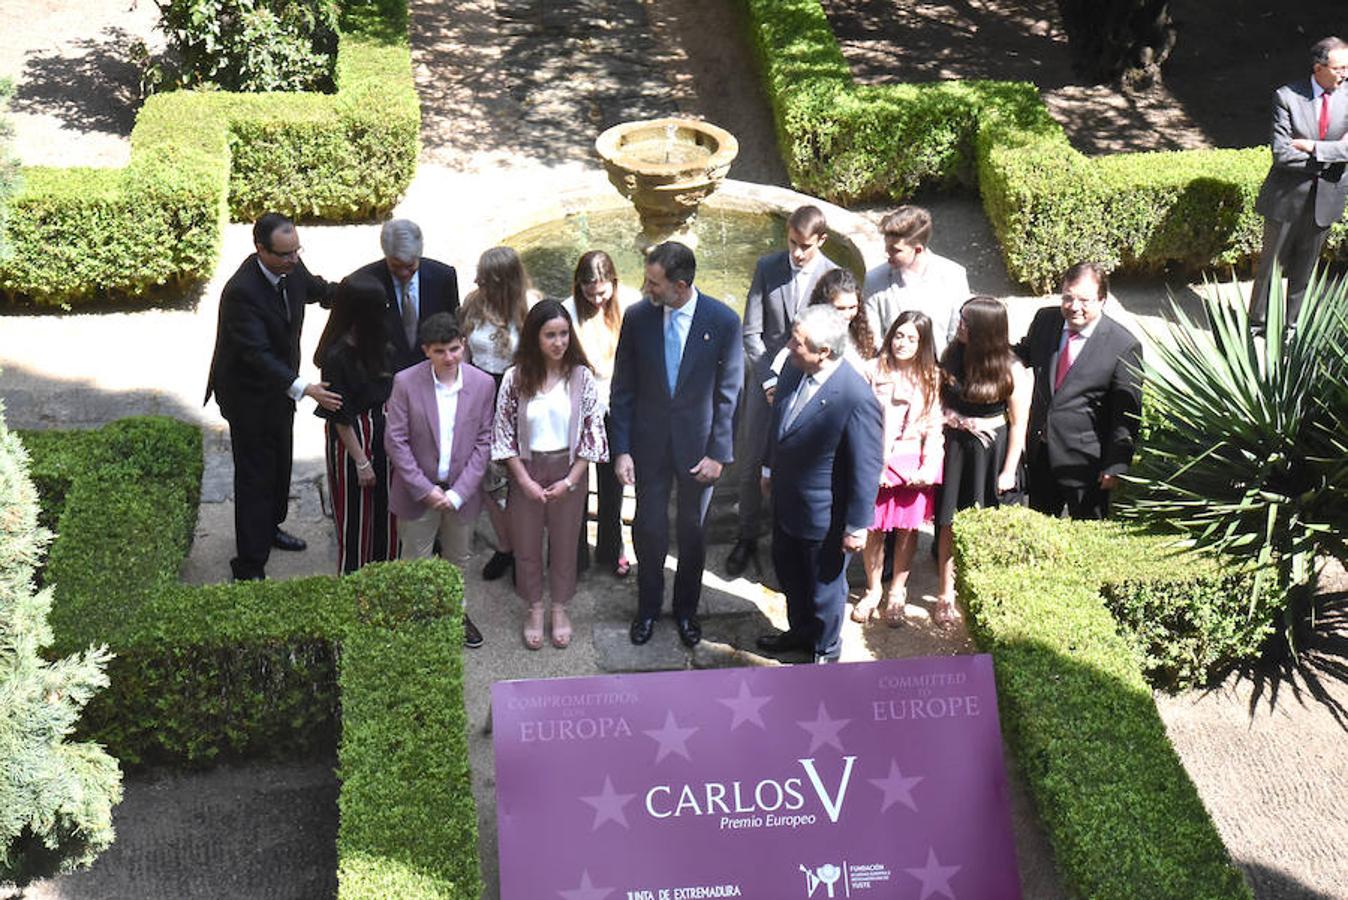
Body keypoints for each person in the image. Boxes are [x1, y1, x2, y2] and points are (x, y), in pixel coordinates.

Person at [610, 241, 744, 647]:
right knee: (648, 530)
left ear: (680, 285)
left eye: (654, 283)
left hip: (697, 450)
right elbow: (623, 386)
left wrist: (719, 454)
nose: (646, 289)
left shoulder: (722, 321)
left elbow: (730, 392)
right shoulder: (637, 317)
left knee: (693, 532)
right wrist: (622, 448)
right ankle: (647, 609)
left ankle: (686, 611)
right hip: (649, 447)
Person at [205, 213, 341, 582]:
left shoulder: (291, 266)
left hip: (280, 392)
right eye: (284, 255)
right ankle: (249, 565)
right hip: (247, 395)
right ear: (261, 249)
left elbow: (316, 288)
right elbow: (257, 355)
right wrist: (305, 388)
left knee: (280, 464)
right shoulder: (241, 292)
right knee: (254, 475)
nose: (294, 260)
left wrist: (356, 292)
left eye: (297, 251)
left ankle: (270, 528)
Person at [755, 306, 884, 664]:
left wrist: (857, 525)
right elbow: (778, 423)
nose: (789, 348)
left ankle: (825, 651)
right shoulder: (794, 370)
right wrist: (768, 468)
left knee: (824, 589)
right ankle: (799, 633)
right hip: (785, 502)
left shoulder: (855, 396)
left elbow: (866, 465)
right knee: (790, 575)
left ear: (823, 351)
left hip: (823, 516)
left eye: (797, 343)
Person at [727, 206, 839, 578]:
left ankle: (783, 539)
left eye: (804, 246)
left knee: (796, 464)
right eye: (792, 242)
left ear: (821, 240)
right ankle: (745, 536)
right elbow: (751, 334)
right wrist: (769, 380)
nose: (796, 252)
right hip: (765, 384)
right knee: (750, 459)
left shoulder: (832, 276)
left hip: (808, 383)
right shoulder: (767, 267)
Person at [492, 300, 609, 650]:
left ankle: (559, 607)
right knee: (526, 545)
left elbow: (594, 433)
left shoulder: (581, 377)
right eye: (550, 335)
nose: (558, 342)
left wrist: (571, 480)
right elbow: (502, 433)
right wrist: (523, 481)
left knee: (564, 543)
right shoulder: (515, 378)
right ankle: (534, 607)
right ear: (535, 337)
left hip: (568, 471)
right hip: (525, 469)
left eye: (563, 334)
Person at [384, 313, 496, 649]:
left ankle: (454, 613)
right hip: (419, 492)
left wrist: (459, 493)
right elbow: (396, 441)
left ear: (463, 345)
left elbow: (484, 442)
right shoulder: (405, 382)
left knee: (457, 559)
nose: (449, 358)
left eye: (454, 349)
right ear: (425, 351)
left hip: (462, 492)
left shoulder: (482, 384)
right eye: (440, 351)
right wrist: (425, 489)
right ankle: (415, 622)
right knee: (414, 560)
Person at [1015, 263, 1142, 520]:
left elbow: (1126, 414)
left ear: (1103, 300)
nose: (1074, 307)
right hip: (1041, 453)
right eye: (1068, 297)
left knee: (1087, 533)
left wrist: (1115, 465)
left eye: (1085, 300)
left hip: (1086, 463)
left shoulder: (1123, 345)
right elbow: (1023, 354)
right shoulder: (1045, 321)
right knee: (1041, 532)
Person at [933, 296, 1030, 625]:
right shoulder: (952, 355)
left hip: (990, 454)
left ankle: (980, 588)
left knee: (982, 521)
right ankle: (946, 591)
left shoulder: (1012, 369)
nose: (959, 326)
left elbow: (1018, 425)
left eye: (965, 322)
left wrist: (1007, 471)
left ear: (984, 330)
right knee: (946, 520)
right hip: (954, 448)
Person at [1249, 37, 1348, 337]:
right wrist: (1335, 152)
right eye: (1339, 68)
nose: (1345, 73)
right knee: (1270, 268)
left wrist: (1313, 148)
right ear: (1319, 68)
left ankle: (1292, 326)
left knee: (1305, 269)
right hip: (1286, 199)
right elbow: (1282, 154)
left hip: (1327, 198)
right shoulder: (1288, 97)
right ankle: (1257, 325)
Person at [856, 311, 943, 625]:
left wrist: (927, 467)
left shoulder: (931, 376)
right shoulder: (870, 370)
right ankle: (872, 589)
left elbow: (934, 427)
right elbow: (860, 423)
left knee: (908, 530)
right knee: (873, 530)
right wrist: (870, 467)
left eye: (912, 338)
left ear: (923, 344)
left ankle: (898, 591)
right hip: (876, 461)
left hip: (911, 464)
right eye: (898, 335)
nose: (903, 343)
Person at [459, 247, 541, 582]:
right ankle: (505, 546)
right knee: (488, 479)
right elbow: (463, 351)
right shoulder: (472, 303)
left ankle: (527, 550)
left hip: (520, 397)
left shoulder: (531, 306)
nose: (479, 282)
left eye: (488, 279)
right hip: (481, 394)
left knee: (522, 478)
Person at [312, 274, 397, 573]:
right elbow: (340, 415)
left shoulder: (378, 339)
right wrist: (361, 461)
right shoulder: (336, 356)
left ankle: (387, 577)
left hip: (386, 433)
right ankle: (354, 583)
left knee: (390, 516)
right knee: (356, 518)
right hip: (355, 438)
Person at [562, 251, 638, 578]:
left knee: (613, 484)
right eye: (589, 292)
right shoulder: (566, 311)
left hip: (616, 406)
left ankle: (612, 547)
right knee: (575, 483)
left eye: (602, 292)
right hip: (576, 407)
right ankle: (573, 552)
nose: (596, 299)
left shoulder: (630, 305)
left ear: (614, 284)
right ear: (579, 286)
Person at [351, 218, 461, 372]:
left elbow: (452, 325)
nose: (403, 273)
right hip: (384, 375)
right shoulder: (365, 282)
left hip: (431, 372)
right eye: (396, 266)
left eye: (410, 267)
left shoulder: (442, 277)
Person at [862, 205, 969, 355]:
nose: (887, 254)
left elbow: (957, 333)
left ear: (918, 250)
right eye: (887, 248)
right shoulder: (874, 279)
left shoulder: (953, 276)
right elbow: (872, 336)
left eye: (895, 250)